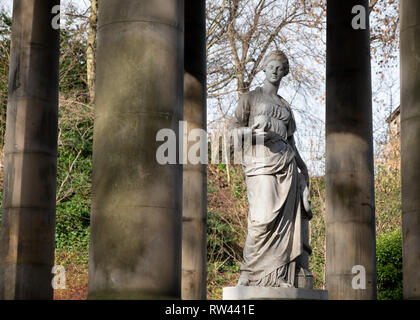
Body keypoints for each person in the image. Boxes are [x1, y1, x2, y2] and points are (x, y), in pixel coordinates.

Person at [231, 50, 310, 287]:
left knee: (284, 226)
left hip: (286, 165)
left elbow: (291, 141)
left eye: (280, 68)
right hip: (260, 161)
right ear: (264, 68)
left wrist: (303, 171)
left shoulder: (285, 106)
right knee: (262, 219)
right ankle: (249, 273)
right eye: (272, 67)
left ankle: (278, 275)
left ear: (284, 73)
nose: (275, 71)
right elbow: (233, 129)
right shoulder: (250, 98)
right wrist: (252, 134)